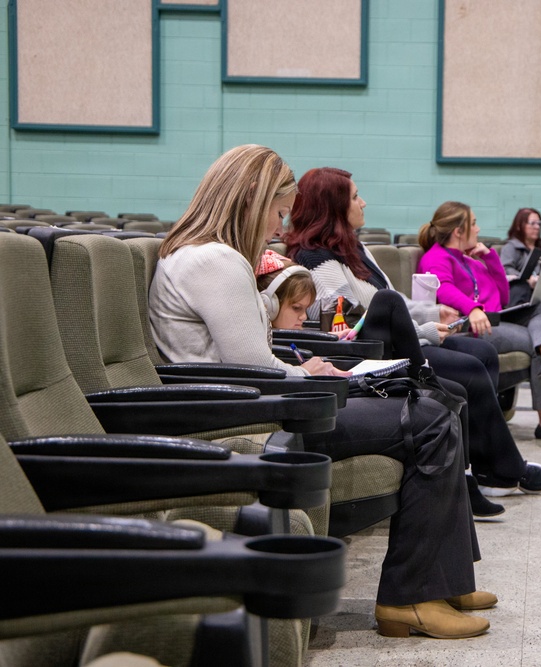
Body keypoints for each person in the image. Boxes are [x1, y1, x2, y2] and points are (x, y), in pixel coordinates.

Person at [147, 144, 493, 640]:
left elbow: (248, 358)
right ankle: (410, 599)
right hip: (248, 416)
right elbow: (252, 368)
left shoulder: (201, 255)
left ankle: (446, 579)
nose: (277, 225)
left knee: (435, 403)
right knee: (432, 416)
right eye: (276, 210)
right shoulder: (216, 260)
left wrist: (304, 366)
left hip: (250, 401)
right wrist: (312, 375)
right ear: (249, 197)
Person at [276, 169, 541, 507]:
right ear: (333, 206)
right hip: (378, 352)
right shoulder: (316, 258)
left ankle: (485, 469)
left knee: (483, 353)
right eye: (354, 196)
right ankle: (495, 471)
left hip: (403, 337)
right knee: (470, 370)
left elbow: (390, 299)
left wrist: (431, 313)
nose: (362, 202)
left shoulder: (354, 247)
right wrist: (424, 329)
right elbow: (354, 320)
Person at [416, 201, 541, 443]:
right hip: (468, 326)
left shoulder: (471, 259)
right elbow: (443, 287)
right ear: (458, 231)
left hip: (495, 319)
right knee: (536, 338)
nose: (478, 228)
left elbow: (503, 296)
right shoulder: (438, 257)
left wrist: (490, 258)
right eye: (473, 223)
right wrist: (472, 308)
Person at [500, 207, 541, 306]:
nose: (537, 227)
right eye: (532, 223)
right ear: (519, 226)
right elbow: (505, 269)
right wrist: (526, 279)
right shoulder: (511, 247)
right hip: (523, 292)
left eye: (539, 224)